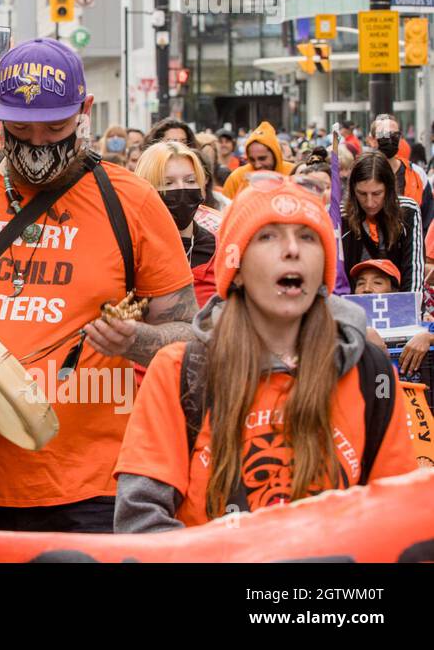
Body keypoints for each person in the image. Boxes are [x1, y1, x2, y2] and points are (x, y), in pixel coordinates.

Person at [0, 39, 198, 533]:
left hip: (95, 486)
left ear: (84, 111)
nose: (39, 142)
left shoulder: (133, 201)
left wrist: (140, 342)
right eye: (20, 128)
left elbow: (190, 335)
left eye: (56, 127)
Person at [113, 175, 416, 531]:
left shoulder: (371, 372)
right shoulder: (180, 370)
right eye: (268, 236)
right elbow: (140, 522)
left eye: (307, 237)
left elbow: (397, 519)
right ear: (236, 271)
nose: (292, 250)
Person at [135, 142, 217, 308]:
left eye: (190, 180)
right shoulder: (133, 249)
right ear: (146, 187)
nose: (181, 189)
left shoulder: (219, 247)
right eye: (168, 183)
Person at [341, 153, 424, 294]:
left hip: (398, 304)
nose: (369, 202)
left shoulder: (408, 211)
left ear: (389, 190)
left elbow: (413, 269)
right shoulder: (341, 216)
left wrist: (409, 310)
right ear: (353, 191)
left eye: (377, 193)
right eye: (362, 194)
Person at [370, 114, 434, 228]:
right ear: (372, 140)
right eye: (384, 134)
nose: (390, 139)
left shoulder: (417, 174)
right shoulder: (362, 173)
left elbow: (428, 216)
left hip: (412, 241)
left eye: (395, 135)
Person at [221, 121, 292, 199]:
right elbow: (225, 208)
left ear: (275, 155)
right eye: (252, 159)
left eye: (262, 158)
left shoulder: (293, 173)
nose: (257, 164)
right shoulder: (237, 178)